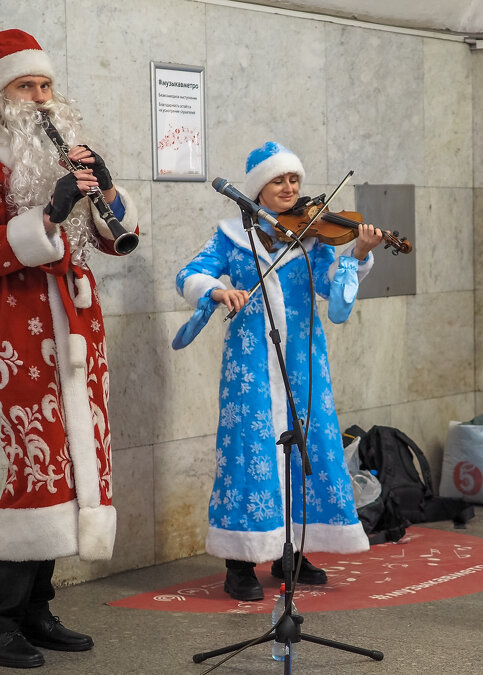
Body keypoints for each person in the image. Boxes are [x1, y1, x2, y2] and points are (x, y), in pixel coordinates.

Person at [0, 28, 139, 669]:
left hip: (79, 325)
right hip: (20, 329)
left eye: (46, 85)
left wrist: (105, 194)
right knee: (38, 462)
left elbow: (116, 241)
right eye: (27, 86)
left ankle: (36, 609)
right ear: (1, 95)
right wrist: (45, 219)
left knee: (77, 461)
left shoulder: (62, 157)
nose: (41, 97)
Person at [173, 142, 380, 601]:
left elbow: (338, 302)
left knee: (305, 449)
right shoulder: (231, 235)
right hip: (249, 363)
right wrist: (215, 291)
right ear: (257, 189)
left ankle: (295, 551)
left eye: (295, 181)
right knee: (251, 453)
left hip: (304, 363)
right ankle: (241, 561)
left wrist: (357, 256)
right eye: (279, 181)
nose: (289, 189)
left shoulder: (313, 238)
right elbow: (190, 271)